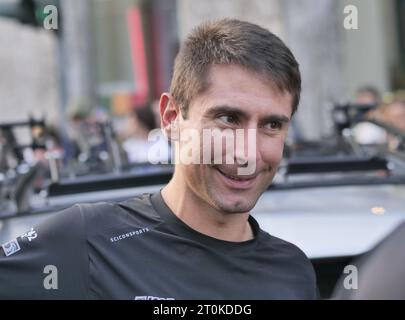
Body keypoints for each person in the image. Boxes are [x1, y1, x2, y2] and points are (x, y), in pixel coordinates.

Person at [0, 19, 317, 299]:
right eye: (228, 119)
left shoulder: (294, 272)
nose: (247, 153)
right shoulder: (87, 240)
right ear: (170, 118)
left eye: (272, 125)